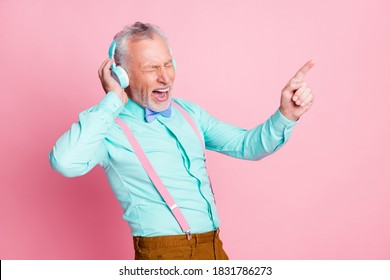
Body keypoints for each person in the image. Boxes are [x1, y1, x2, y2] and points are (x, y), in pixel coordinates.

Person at [49, 21, 315, 260]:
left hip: (213, 247)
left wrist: (286, 115)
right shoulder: (107, 128)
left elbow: (248, 145)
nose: (166, 77)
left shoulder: (189, 113)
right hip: (164, 255)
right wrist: (111, 100)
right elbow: (64, 161)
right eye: (152, 68)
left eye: (167, 63)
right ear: (122, 74)